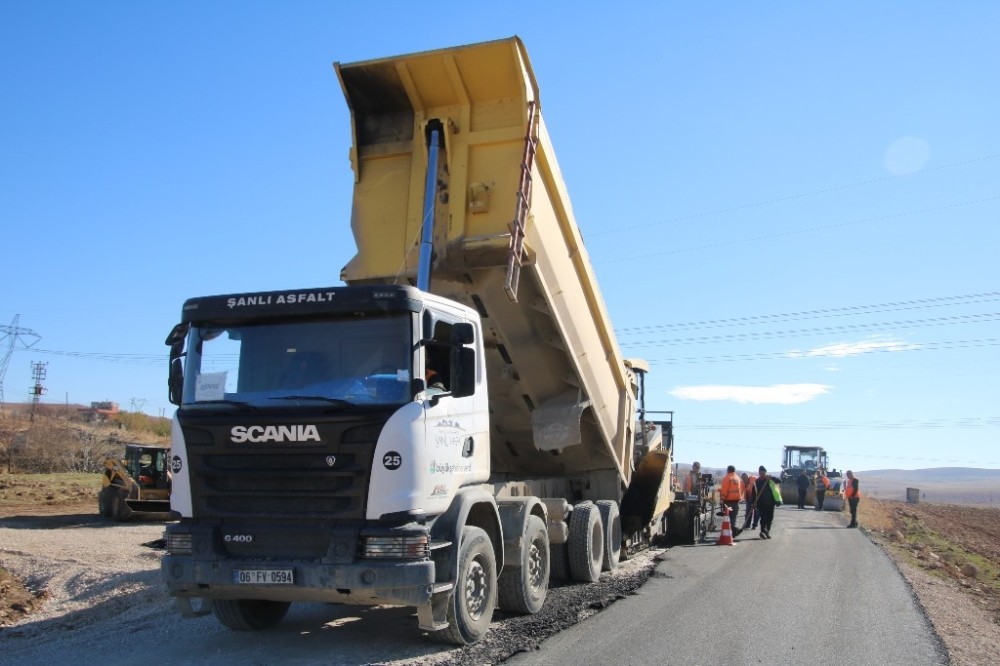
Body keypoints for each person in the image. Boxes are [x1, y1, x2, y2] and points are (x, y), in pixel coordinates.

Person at [749, 466, 781, 539]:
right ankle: (763, 531)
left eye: (763, 473)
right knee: (763, 518)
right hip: (761, 503)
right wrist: (753, 502)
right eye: (760, 473)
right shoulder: (757, 482)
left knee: (770, 518)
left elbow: (780, 481)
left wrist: (772, 478)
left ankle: (767, 532)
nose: (761, 474)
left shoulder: (770, 480)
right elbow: (754, 493)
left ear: (765, 473)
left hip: (771, 502)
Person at [719, 465, 744, 531]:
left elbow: (724, 490)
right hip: (736, 501)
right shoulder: (737, 478)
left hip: (728, 502)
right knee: (733, 518)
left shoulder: (727, 478)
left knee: (728, 518)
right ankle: (733, 531)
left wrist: (721, 499)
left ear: (728, 470)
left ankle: (733, 531)